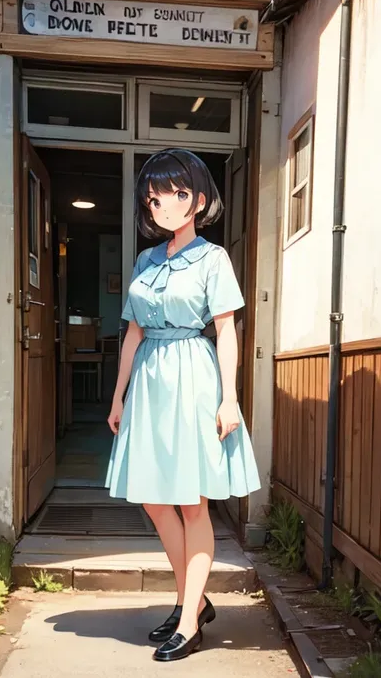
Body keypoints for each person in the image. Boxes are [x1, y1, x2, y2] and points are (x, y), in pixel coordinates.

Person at [105, 148, 260, 663]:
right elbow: (132, 332)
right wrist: (119, 393)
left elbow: (226, 332)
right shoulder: (146, 261)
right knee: (153, 497)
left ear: (198, 198)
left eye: (175, 194)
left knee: (193, 502)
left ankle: (190, 619)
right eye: (153, 198)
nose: (163, 205)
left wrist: (230, 398)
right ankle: (191, 597)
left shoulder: (213, 258)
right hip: (149, 382)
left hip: (194, 377)